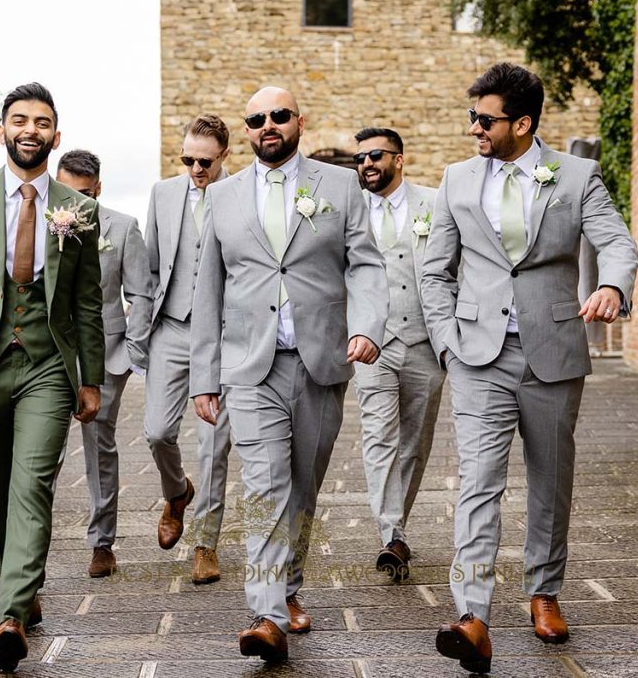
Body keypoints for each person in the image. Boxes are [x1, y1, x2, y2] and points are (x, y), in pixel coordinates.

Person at [420, 63, 638, 674]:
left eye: (484, 119)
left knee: (550, 479)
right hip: (476, 356)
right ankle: (472, 614)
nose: (473, 129)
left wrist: (614, 288)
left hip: (553, 352)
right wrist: (446, 344)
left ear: (522, 123)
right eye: (472, 117)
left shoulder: (576, 176)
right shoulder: (456, 179)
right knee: (478, 482)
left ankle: (544, 592)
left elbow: (617, 244)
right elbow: (435, 270)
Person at [190, 86, 388, 663]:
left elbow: (368, 265)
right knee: (265, 484)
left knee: (302, 485)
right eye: (256, 119)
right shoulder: (222, 197)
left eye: (279, 115)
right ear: (246, 131)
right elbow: (208, 291)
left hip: (321, 361)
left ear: (298, 121)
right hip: (250, 368)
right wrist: (206, 376)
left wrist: (369, 325)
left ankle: (289, 583)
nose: (267, 125)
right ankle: (268, 612)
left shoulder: (340, 186)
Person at [0, 83, 104, 672]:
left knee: (33, 483)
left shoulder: (78, 209)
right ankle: (24, 596)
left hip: (47, 367)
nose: (30, 129)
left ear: (56, 135)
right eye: (19, 119)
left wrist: (91, 379)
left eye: (42, 122)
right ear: (2, 130)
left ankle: (9, 614)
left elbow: (86, 302)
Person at [142, 115, 234, 584]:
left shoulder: (239, 194)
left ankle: (206, 543)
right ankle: (177, 492)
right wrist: (145, 331)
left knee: (215, 445)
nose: (196, 169)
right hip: (172, 330)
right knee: (157, 431)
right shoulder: (162, 194)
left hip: (220, 337)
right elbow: (150, 270)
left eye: (205, 161)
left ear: (224, 156)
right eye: (188, 160)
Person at [351, 127, 445, 582]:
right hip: (373, 344)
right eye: (360, 158)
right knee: (378, 437)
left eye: (375, 155)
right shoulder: (348, 212)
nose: (366, 164)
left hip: (427, 343)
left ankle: (397, 528)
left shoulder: (434, 203)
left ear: (399, 159)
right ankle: (391, 533)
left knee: (415, 442)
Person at [56, 149, 152, 579]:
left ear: (98, 189)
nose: (74, 201)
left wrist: (132, 350)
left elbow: (142, 293)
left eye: (84, 194)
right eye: (65, 191)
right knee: (45, 452)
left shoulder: (124, 227)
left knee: (99, 449)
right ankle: (30, 545)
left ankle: (102, 542)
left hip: (109, 354)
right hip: (53, 355)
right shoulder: (39, 224)